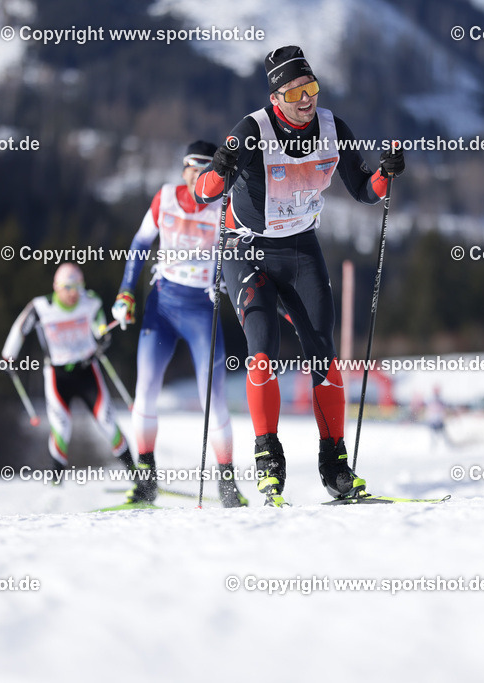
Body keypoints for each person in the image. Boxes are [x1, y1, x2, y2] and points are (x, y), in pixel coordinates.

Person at [194, 45, 404, 506]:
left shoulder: (333, 128)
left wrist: (386, 175)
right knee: (263, 348)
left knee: (324, 356)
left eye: (311, 88)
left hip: (300, 247)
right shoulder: (252, 129)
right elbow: (203, 193)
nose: (306, 99)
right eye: (294, 92)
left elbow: (365, 191)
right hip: (247, 249)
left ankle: (335, 466)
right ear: (276, 98)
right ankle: (268, 458)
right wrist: (221, 169)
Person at [111, 140, 247, 507]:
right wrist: (126, 292)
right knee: (145, 392)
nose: (196, 173)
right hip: (163, 306)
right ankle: (146, 480)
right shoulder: (165, 198)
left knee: (214, 401)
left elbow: (244, 254)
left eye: (205, 167)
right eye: (191, 166)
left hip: (203, 310)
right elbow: (140, 245)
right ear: (183, 169)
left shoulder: (225, 206)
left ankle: (227, 485)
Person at [3, 263, 135, 478]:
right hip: (57, 375)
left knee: (108, 423)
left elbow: (100, 328)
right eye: (68, 288)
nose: (74, 293)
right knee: (61, 429)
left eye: (78, 287)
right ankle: (56, 484)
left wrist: (103, 337)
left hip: (87, 371)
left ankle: (138, 477)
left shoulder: (90, 302)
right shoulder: (41, 307)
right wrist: (8, 357)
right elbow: (19, 329)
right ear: (57, 287)